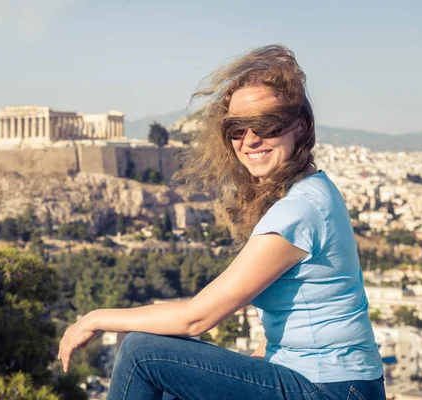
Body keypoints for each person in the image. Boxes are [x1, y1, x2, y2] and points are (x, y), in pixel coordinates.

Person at [58, 44, 385, 399]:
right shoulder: (314, 189)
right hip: (338, 383)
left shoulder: (299, 210)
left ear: (301, 125)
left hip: (329, 389)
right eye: (236, 129)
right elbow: (297, 321)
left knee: (140, 353)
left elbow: (196, 318)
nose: (250, 140)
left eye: (266, 124)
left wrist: (93, 318)